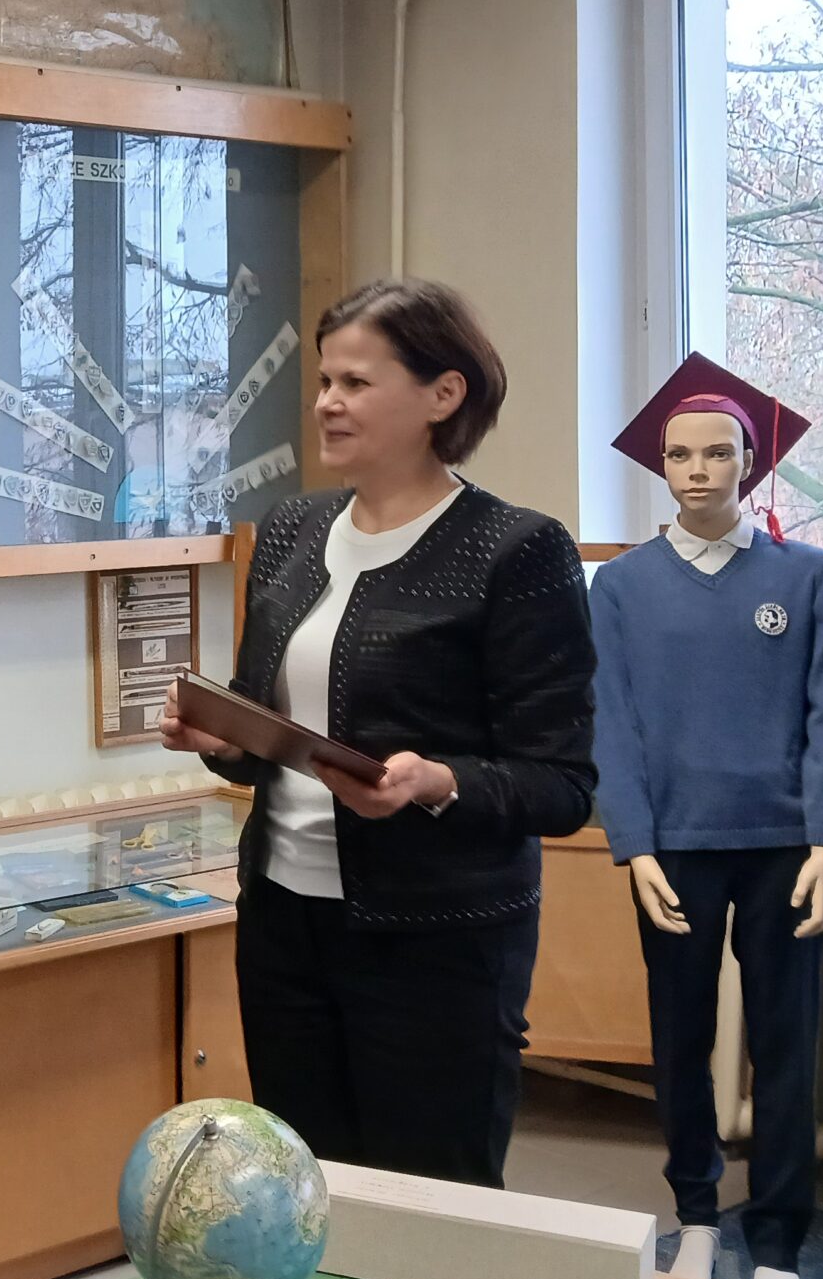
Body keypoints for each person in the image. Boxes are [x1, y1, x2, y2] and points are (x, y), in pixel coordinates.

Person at [161, 278, 596, 1186]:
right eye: (325, 380)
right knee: (304, 1194)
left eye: (356, 383)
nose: (327, 401)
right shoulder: (291, 528)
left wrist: (437, 783)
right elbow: (267, 728)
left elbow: (562, 785)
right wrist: (224, 739)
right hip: (283, 923)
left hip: (437, 940)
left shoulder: (517, 549)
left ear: (443, 395)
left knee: (429, 1204)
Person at [591, 353, 823, 1279]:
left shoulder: (807, 575)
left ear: (751, 461)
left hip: (784, 845)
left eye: (718, 452)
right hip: (676, 849)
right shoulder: (621, 588)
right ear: (660, 464)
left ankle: (779, 1239)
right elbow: (611, 722)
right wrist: (635, 845)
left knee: (784, 1043)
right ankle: (697, 1216)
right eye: (679, 454)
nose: (698, 469)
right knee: (680, 1037)